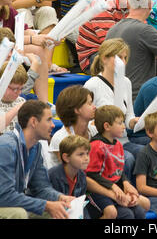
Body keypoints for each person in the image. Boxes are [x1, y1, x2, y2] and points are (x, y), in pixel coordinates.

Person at [0, 100, 74, 219]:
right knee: (18, 214)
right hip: (4, 201)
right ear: (34, 122)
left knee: (59, 210)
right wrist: (46, 205)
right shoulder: (6, 147)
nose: (53, 125)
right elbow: (4, 195)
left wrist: (60, 198)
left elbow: (41, 187)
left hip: (10, 201)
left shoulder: (36, 147)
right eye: (49, 120)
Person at [83, 38, 142, 181]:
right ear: (104, 59)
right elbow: (86, 120)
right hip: (104, 143)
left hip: (123, 140)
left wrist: (136, 122)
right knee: (127, 159)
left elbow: (128, 116)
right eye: (119, 57)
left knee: (146, 152)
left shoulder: (126, 82)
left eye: (125, 58)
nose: (123, 62)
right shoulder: (92, 84)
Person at [0, 0, 60, 100]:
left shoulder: (8, 11)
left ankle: (44, 102)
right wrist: (33, 39)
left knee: (38, 49)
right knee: (34, 49)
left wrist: (47, 39)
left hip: (8, 51)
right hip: (3, 51)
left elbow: (26, 32)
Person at [85, 105, 150, 219]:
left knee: (139, 211)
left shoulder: (118, 144)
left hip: (116, 188)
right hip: (100, 192)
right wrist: (112, 186)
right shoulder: (96, 146)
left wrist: (126, 183)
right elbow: (91, 174)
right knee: (126, 215)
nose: (124, 127)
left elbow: (118, 171)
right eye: (120, 123)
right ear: (107, 126)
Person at [76, 0, 129, 73]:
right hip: (93, 55)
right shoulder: (104, 5)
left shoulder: (128, 3)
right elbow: (111, 45)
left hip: (118, 47)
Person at [48, 85, 97, 168]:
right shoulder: (61, 138)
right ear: (77, 110)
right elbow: (71, 175)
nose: (94, 107)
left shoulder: (93, 131)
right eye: (89, 103)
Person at [48, 135, 91, 218]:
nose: (86, 158)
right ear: (66, 157)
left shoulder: (82, 176)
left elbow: (80, 205)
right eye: (81, 154)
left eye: (87, 154)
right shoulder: (53, 176)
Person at [0, 58, 43, 134]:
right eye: (14, 89)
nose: (19, 93)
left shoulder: (21, 101)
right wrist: (17, 108)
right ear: (2, 83)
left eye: (21, 89)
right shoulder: (19, 105)